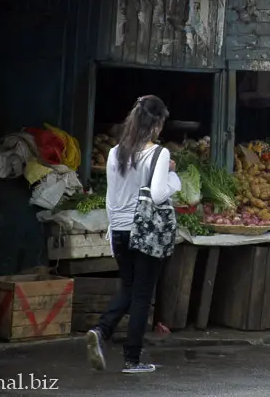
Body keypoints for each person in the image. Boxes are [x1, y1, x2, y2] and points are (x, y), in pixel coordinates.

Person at [86, 95, 181, 373]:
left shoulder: (115, 152)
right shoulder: (159, 154)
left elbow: (109, 198)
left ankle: (101, 331)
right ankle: (132, 359)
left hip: (120, 230)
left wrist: (112, 231)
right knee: (141, 295)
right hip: (146, 232)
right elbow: (159, 193)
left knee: (128, 288)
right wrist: (172, 177)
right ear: (156, 124)